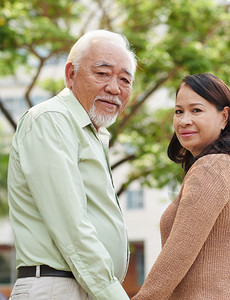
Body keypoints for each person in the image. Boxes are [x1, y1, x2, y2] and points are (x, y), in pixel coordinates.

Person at [7, 29, 137, 300]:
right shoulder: (51, 119)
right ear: (70, 74)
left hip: (83, 287)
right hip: (57, 288)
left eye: (125, 79)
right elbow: (71, 224)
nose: (114, 88)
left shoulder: (92, 132)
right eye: (102, 73)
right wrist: (112, 294)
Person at [132, 73, 230, 300]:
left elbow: (177, 255)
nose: (184, 120)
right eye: (178, 111)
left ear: (223, 117)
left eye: (196, 110)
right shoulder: (227, 165)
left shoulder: (212, 166)